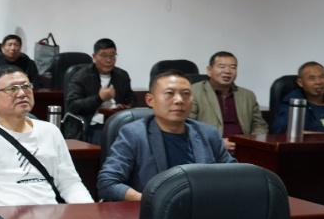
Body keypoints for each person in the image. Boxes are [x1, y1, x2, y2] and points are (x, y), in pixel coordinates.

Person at [0, 66, 92, 207]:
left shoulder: (50, 131)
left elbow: (70, 183)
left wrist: (89, 211)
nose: (22, 93)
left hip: (50, 215)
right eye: (12, 88)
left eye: (26, 86)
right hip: (4, 216)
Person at [98, 70, 235, 202]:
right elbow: (108, 183)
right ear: (150, 100)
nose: (179, 100)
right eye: (169, 93)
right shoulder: (134, 134)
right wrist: (150, 201)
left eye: (186, 94)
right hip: (155, 213)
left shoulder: (208, 134)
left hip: (201, 210)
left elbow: (234, 176)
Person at [190, 51, 269, 148]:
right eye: (222, 66)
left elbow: (259, 125)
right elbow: (188, 126)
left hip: (244, 148)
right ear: (209, 70)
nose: (227, 71)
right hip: (209, 149)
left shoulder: (248, 95)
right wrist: (217, 143)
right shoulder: (194, 92)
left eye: (233, 67)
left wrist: (251, 142)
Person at [65, 38, 134, 144]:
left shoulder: (122, 76)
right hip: (93, 127)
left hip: (118, 124)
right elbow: (73, 105)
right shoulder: (81, 77)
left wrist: (125, 106)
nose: (108, 60)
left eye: (112, 56)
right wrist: (99, 98)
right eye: (104, 56)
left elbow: (131, 99)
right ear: (94, 56)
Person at [272, 61, 324, 134]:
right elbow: (281, 129)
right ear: (300, 82)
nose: (319, 82)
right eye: (312, 78)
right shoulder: (294, 100)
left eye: (322, 77)